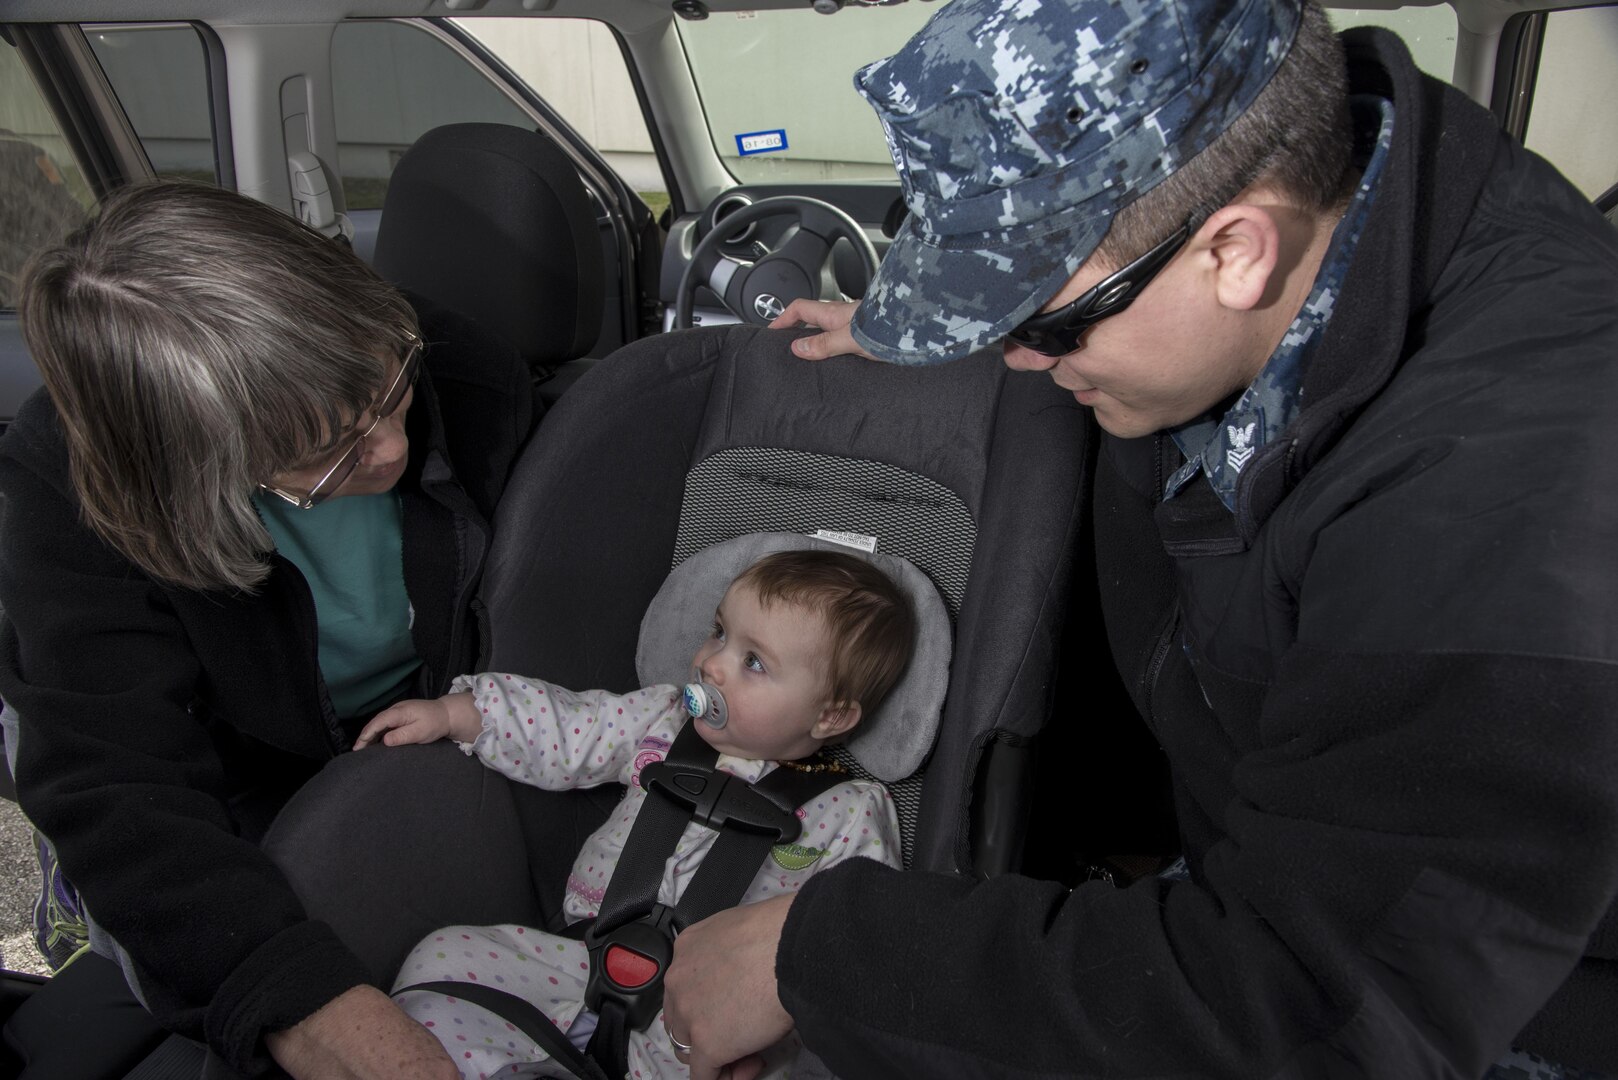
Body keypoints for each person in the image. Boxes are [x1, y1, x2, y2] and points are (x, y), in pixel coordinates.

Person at [661, 1, 1618, 1079]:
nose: (1020, 363)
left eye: (1040, 325)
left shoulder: (1514, 488)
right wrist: (916, 332)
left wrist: (816, 955)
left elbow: (1324, 1005)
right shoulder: (1289, 203)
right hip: (1253, 881)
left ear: (1236, 252)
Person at [0, 180, 605, 1079]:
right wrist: (294, 998)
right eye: (323, 459)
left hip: (429, 727)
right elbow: (113, 772)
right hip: (236, 766)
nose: (392, 451)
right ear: (194, 475)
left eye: (386, 391)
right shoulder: (80, 489)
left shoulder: (462, 369)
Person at [354, 549, 914, 1080]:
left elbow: (859, 932)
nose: (711, 664)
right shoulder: (662, 721)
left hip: (705, 1015)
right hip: (577, 959)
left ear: (831, 716)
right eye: (718, 631)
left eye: (753, 662)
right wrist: (462, 713)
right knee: (442, 960)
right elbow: (568, 725)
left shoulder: (850, 810)